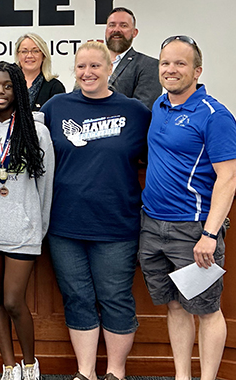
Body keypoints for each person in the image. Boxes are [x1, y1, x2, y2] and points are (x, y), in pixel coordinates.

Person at [40, 42, 151, 380]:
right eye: (81, 67)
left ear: (109, 70)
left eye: (95, 67)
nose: (87, 73)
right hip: (65, 223)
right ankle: (85, 372)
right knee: (77, 297)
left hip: (116, 224)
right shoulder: (56, 107)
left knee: (115, 298)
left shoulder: (135, 112)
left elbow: (160, 153)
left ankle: (115, 372)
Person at [139, 36, 236, 380]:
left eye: (180, 63)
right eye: (166, 63)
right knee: (176, 304)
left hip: (193, 230)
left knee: (207, 309)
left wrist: (210, 234)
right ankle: (182, 376)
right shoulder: (160, 105)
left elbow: (228, 176)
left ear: (197, 70)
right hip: (153, 225)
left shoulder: (214, 115)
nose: (171, 69)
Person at [0, 61, 54, 380]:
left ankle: (30, 364)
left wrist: (37, 228)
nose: (0, 92)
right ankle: (8, 366)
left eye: (6, 86)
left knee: (15, 300)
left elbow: (45, 188)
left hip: (24, 231)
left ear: (18, 90)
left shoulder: (37, 132)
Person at [104, 7, 161, 109]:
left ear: (134, 32)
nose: (116, 29)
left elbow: (142, 109)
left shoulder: (149, 65)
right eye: (112, 25)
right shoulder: (90, 65)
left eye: (123, 25)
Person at [14, 33, 65, 111]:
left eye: (35, 51)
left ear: (43, 55)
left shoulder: (55, 88)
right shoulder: (9, 84)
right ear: (18, 55)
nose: (29, 55)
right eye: (24, 51)